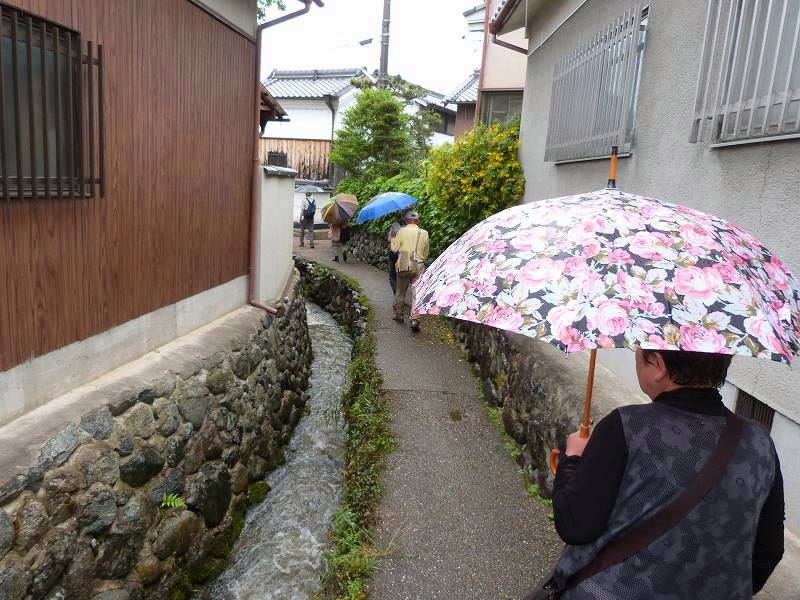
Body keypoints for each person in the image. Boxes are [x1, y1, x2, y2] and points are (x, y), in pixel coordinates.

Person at [543, 349, 784, 599]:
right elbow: (768, 551)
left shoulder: (626, 427)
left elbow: (575, 525)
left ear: (657, 364)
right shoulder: (760, 442)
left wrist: (573, 459)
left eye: (638, 352)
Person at [391, 211, 429, 332]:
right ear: (417, 221)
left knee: (401, 290)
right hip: (419, 264)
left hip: (405, 263)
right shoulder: (424, 233)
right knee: (417, 293)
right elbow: (426, 252)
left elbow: (394, 249)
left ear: (406, 220)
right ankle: (415, 320)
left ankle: (399, 314)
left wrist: (392, 239)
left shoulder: (401, 231)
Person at [387, 215, 406, 294]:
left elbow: (389, 239)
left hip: (395, 253)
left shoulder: (395, 225)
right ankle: (401, 293)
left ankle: (396, 292)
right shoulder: (413, 226)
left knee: (393, 275)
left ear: (401, 214)